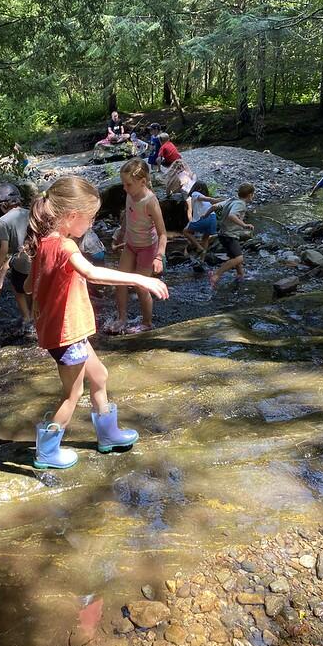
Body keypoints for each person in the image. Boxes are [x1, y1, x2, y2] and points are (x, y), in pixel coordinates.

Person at [23, 176, 168, 470]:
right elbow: (92, 274)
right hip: (66, 335)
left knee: (99, 376)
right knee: (71, 395)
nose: (90, 224)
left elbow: (28, 286)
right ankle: (47, 451)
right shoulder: (64, 247)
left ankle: (108, 434)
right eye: (89, 218)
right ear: (72, 216)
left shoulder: (44, 243)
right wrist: (139, 278)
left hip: (66, 331)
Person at [106, 158, 168, 334]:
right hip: (131, 244)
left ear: (142, 182)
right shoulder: (130, 194)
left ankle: (147, 323)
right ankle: (122, 318)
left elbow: (163, 233)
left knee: (142, 287)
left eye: (128, 185)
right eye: (123, 184)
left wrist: (159, 256)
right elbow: (128, 214)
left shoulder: (150, 201)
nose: (124, 188)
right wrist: (120, 234)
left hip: (148, 248)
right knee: (120, 281)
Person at [0, 183, 33, 333]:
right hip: (37, 258)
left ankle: (27, 318)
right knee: (32, 288)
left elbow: (3, 249)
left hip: (21, 261)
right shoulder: (30, 212)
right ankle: (35, 316)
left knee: (19, 290)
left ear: (2, 205)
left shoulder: (3, 221)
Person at [204, 183, 255, 289]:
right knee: (239, 258)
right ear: (250, 195)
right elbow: (232, 215)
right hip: (229, 235)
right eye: (253, 194)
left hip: (223, 234)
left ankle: (240, 274)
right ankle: (216, 274)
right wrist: (244, 225)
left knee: (234, 256)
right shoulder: (241, 204)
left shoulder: (231, 200)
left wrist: (205, 215)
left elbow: (214, 206)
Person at [183, 181, 224, 259]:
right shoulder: (205, 202)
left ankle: (199, 247)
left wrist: (212, 199)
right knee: (205, 238)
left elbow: (204, 198)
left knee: (186, 231)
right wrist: (216, 200)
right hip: (213, 219)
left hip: (204, 218)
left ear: (198, 188)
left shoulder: (195, 193)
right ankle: (202, 259)